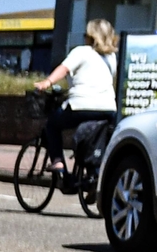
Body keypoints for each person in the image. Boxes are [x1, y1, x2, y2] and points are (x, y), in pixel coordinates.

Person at [36, 20, 119, 172]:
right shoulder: (111, 58)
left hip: (82, 106)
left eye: (85, 35)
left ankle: (58, 162)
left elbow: (64, 69)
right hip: (108, 109)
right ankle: (92, 175)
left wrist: (47, 82)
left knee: (52, 124)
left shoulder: (82, 51)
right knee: (95, 138)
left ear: (91, 37)